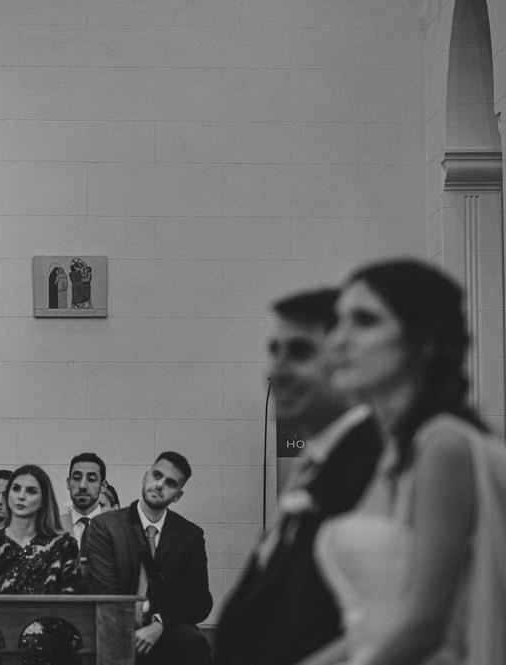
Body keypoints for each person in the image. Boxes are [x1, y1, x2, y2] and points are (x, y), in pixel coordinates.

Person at [297, 259, 506, 665]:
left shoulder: (443, 445)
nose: (338, 340)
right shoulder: (390, 453)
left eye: (365, 320)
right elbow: (374, 629)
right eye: (338, 321)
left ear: (424, 341)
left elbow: (426, 627)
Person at [214, 289, 383, 665]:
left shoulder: (375, 460)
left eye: (300, 352)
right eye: (275, 350)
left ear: (351, 362)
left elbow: (387, 623)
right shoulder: (318, 462)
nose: (276, 370)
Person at [83, 452, 213, 665]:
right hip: (116, 627)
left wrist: (160, 624)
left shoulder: (189, 535)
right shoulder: (106, 526)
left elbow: (200, 599)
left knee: (193, 644)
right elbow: (104, 592)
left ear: (178, 495)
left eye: (170, 483)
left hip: (166, 628)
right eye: (157, 475)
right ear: (145, 477)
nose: (160, 485)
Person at [0, 465, 82, 665]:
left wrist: (35, 628)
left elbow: (69, 602)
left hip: (49, 641)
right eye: (16, 489)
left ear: (42, 501)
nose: (21, 496)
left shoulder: (63, 545)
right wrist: (10, 629)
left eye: (31, 491)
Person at [59, 452, 106, 549]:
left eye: (91, 479)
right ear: (68, 483)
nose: (82, 486)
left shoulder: (118, 529)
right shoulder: (54, 528)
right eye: (76, 478)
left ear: (103, 486)